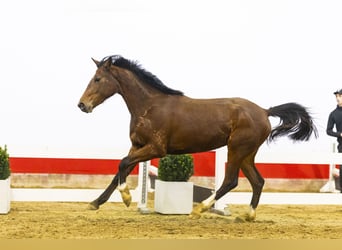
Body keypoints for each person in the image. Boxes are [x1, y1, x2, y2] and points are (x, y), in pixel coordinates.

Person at [326, 89, 342, 192]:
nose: (337, 98)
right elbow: (328, 130)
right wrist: (340, 134)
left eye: (340, 96)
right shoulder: (333, 114)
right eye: (336, 96)